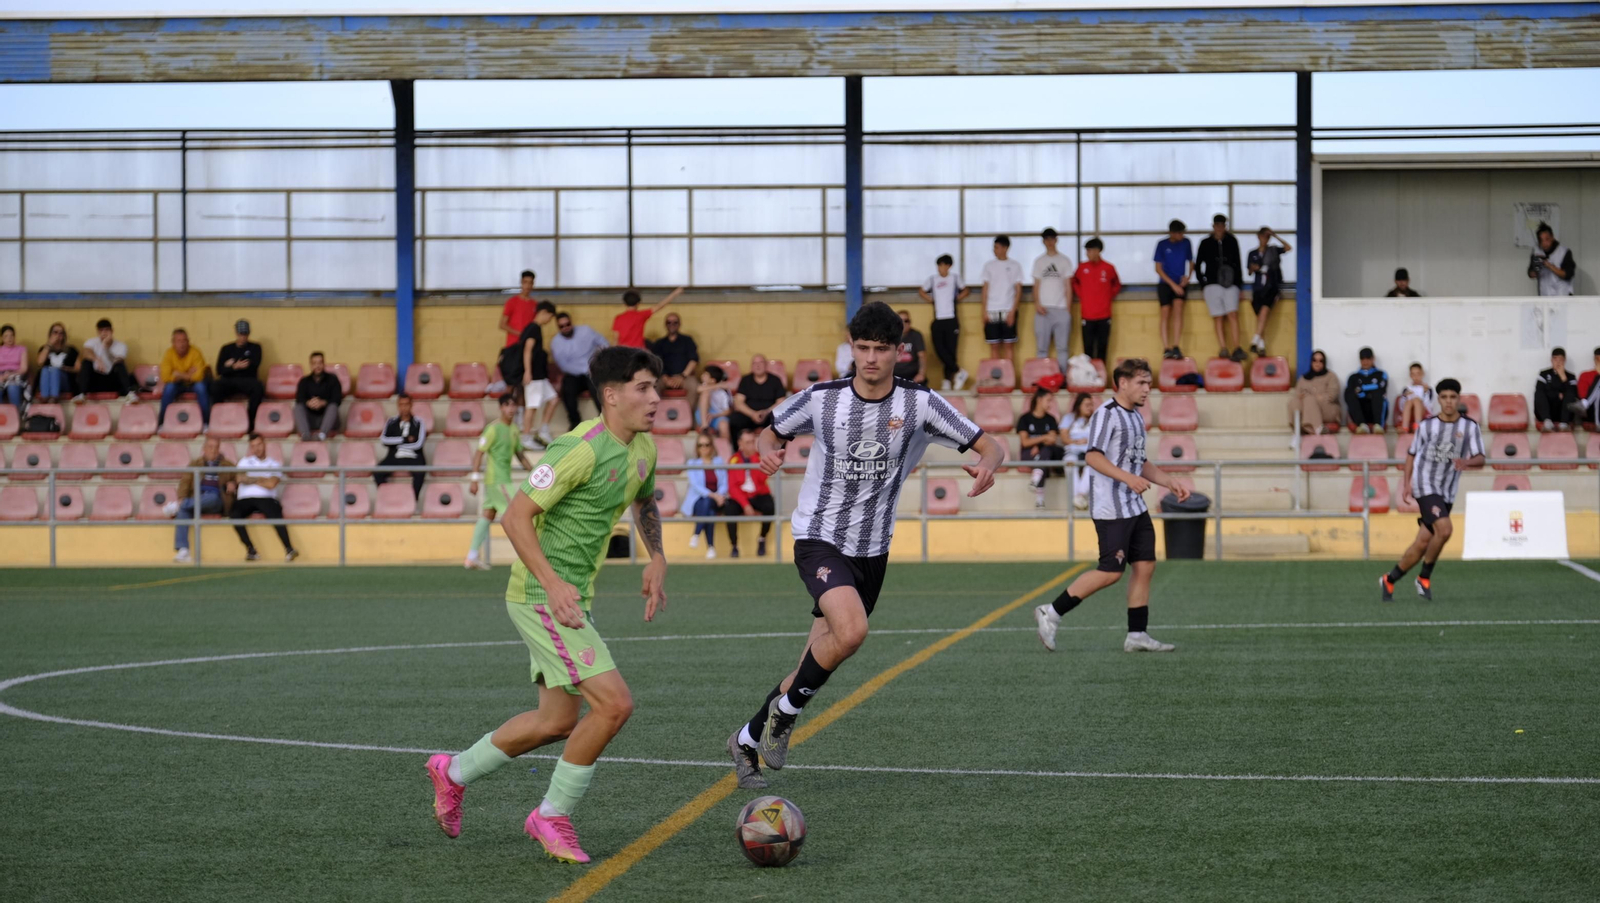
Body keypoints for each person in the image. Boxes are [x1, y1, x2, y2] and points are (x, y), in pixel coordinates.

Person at [725, 301, 1003, 790]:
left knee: (815, 661)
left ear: (900, 350)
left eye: (881, 349)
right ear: (851, 347)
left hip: (873, 549)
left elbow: (990, 444)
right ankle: (785, 716)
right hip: (819, 536)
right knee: (852, 632)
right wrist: (768, 452)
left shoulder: (920, 404)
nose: (871, 358)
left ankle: (747, 739)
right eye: (863, 347)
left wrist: (988, 466)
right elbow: (768, 433)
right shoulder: (822, 398)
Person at [424, 346, 667, 865]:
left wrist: (658, 558)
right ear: (611, 395)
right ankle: (551, 815)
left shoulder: (644, 447)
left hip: (571, 597)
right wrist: (554, 586)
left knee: (556, 721)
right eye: (643, 388)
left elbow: (644, 499)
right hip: (542, 597)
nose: (655, 398)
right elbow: (514, 517)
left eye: (656, 388)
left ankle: (452, 771)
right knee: (614, 704)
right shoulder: (578, 448)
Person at [1035, 358, 1187, 656]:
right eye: (1141, 382)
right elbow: (1093, 457)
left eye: (1149, 383)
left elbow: (1138, 461)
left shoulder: (1136, 416)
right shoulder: (1106, 414)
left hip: (1134, 506)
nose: (1147, 388)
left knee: (1145, 565)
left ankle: (1137, 634)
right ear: (1123, 383)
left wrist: (1168, 481)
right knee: (1110, 572)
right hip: (1111, 508)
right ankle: (1050, 612)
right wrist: (1128, 478)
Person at [1381, 379, 1485, 602]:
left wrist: (1467, 462)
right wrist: (1407, 483)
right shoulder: (1427, 426)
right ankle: (1424, 578)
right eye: (1444, 397)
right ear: (1439, 400)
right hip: (1425, 484)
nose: (1448, 402)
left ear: (1458, 399)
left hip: (1448, 490)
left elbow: (1481, 458)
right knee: (1445, 530)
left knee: (1422, 543)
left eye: (1453, 397)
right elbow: (1411, 454)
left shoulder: (1469, 427)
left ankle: (1389, 579)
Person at [465, 394, 534, 570]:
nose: (511, 409)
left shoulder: (514, 429)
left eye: (513, 405)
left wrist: (535, 473)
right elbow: (479, 453)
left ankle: (471, 557)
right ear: (501, 408)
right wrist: (474, 479)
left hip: (501, 480)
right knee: (517, 514)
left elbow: (520, 454)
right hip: (498, 480)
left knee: (488, 515)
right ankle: (529, 557)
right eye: (507, 405)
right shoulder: (493, 429)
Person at [231, 433, 298, 563]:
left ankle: (289, 548)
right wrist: (262, 479)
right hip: (245, 499)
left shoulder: (274, 464)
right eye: (253, 446)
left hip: (266, 498)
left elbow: (271, 484)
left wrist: (250, 478)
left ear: (264, 444)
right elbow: (239, 478)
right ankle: (251, 550)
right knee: (234, 514)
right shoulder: (244, 461)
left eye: (259, 444)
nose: (257, 448)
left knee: (275, 513)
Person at [167, 435, 235, 563]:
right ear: (204, 448)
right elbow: (185, 482)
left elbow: (238, 479)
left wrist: (234, 484)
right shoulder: (194, 464)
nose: (213, 450)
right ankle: (183, 550)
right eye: (210, 447)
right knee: (183, 511)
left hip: (216, 501)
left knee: (212, 497)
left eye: (216, 447)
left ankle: (179, 505)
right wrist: (181, 497)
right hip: (197, 499)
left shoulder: (228, 465)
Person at [1196, 214, 1245, 363]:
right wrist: (1203, 283)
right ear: (1213, 226)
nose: (1219, 228)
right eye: (1217, 225)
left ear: (1225, 226)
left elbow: (1238, 263)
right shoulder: (1205, 242)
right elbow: (1198, 264)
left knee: (1232, 314)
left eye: (1222, 225)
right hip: (1212, 283)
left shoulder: (1232, 241)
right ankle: (1223, 347)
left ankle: (1237, 347)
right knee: (1218, 316)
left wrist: (1239, 285)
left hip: (1230, 284)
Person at [549, 312, 609, 431]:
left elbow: (604, 343)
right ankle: (575, 422)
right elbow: (563, 366)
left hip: (592, 370)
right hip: (574, 374)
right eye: (562, 326)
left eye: (567, 324)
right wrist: (583, 370)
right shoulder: (556, 343)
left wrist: (599, 360)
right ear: (558, 327)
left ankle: (605, 420)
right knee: (567, 389)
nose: (565, 327)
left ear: (571, 322)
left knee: (597, 387)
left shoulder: (585, 331)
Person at [918, 253, 968, 390]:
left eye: (943, 265)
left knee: (951, 351)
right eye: (939, 266)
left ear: (949, 266)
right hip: (938, 319)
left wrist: (957, 299)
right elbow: (921, 291)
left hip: (951, 319)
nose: (941, 268)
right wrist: (930, 299)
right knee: (939, 349)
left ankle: (947, 380)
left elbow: (965, 290)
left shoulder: (955, 278)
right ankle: (959, 371)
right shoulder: (933, 279)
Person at [514, 300, 559, 449]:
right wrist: (528, 372)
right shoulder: (533, 328)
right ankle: (526, 437)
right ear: (544, 313)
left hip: (540, 375)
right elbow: (527, 350)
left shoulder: (535, 328)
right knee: (531, 407)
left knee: (553, 399)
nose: (549, 320)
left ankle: (543, 430)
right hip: (534, 376)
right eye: (550, 317)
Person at [725, 428, 776, 558]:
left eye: (753, 442)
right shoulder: (733, 460)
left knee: (770, 505)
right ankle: (734, 545)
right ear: (740, 444)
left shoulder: (759, 458)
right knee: (729, 508)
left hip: (758, 494)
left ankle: (762, 538)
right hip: (741, 496)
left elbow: (762, 479)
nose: (751, 445)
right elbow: (732, 487)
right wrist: (745, 504)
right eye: (748, 442)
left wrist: (754, 459)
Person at [1071, 237, 1121, 363]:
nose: (1088, 254)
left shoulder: (1108, 268)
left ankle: (1101, 374)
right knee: (1087, 349)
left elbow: (1116, 284)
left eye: (1090, 250)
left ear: (1098, 251)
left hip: (1104, 315)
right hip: (1087, 315)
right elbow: (1074, 282)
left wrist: (1108, 295)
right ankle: (1088, 374)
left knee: (1102, 348)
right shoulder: (1082, 267)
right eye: (1087, 251)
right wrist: (1081, 294)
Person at [1031, 228, 1074, 373]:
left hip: (1061, 309)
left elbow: (1068, 286)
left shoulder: (1064, 261)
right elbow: (1036, 285)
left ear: (1056, 240)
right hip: (1043, 311)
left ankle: (1062, 378)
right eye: (1046, 239)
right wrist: (1037, 304)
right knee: (1041, 349)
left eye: (1052, 239)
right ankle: (1043, 377)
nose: (1049, 242)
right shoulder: (1039, 261)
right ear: (1043, 242)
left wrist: (1068, 309)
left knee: (1062, 348)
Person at [211, 319, 265, 428]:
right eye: (241, 334)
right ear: (236, 333)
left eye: (245, 334)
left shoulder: (255, 348)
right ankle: (219, 418)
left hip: (247, 380)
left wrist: (230, 366)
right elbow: (219, 370)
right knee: (215, 386)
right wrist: (235, 367)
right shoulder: (226, 349)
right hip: (229, 381)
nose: (243, 337)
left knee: (258, 387)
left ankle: (250, 420)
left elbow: (254, 365)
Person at [684, 432, 730, 559]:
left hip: (718, 499)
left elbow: (724, 482)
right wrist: (713, 496)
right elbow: (695, 486)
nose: (704, 448)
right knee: (708, 508)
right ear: (697, 448)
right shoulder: (692, 463)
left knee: (708, 504)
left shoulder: (718, 461)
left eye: (707, 444)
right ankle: (710, 547)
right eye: (700, 445)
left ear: (712, 446)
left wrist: (718, 495)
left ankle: (696, 534)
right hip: (698, 500)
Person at [981, 235, 1024, 371]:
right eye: (994, 247)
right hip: (991, 310)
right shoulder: (989, 266)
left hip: (1008, 310)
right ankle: (996, 378)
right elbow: (985, 289)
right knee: (994, 345)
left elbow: (1018, 290)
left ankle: (1009, 376)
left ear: (1005, 248)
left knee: (1008, 345)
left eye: (997, 247)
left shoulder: (1015, 265)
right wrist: (984, 311)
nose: (994, 250)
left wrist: (1013, 311)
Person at [1153, 220, 1194, 361]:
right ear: (1172, 233)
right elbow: (1158, 269)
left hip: (1180, 283)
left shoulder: (1186, 243)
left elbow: (1191, 262)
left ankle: (1176, 345)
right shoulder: (1162, 244)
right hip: (1166, 283)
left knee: (1178, 310)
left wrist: (1188, 277)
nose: (1182, 235)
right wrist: (1172, 285)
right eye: (1179, 233)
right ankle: (1166, 348)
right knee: (1165, 313)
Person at [1246, 227, 1291, 356]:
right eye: (1263, 236)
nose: (1264, 239)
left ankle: (1255, 340)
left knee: (1265, 310)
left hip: (1271, 286)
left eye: (1267, 237)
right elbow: (1249, 271)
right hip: (1258, 288)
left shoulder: (1273, 250)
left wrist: (1276, 236)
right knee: (1260, 317)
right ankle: (1261, 346)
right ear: (1258, 237)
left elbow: (1288, 248)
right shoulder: (1252, 253)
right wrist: (1254, 268)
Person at [1017, 387, 1063, 509]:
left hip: (1045, 453)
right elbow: (1025, 442)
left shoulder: (1051, 419)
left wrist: (1037, 444)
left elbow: (1052, 439)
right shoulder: (1025, 419)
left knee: (1046, 453)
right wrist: (1044, 438)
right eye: (1048, 400)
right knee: (1043, 460)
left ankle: (1036, 482)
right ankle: (1040, 500)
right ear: (1039, 399)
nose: (1050, 404)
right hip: (1029, 453)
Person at [375, 394, 427, 499]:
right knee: (378, 472)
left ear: (411, 405)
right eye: (401, 405)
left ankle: (413, 501)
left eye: (406, 404)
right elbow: (384, 440)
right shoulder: (391, 421)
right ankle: (387, 498)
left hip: (414, 457)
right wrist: (404, 439)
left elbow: (418, 444)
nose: (404, 407)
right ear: (398, 406)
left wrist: (396, 444)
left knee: (420, 473)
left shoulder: (419, 422)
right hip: (395, 457)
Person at [158, 328, 210, 428]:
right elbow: (165, 377)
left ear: (188, 341)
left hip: (193, 384)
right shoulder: (169, 353)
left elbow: (199, 376)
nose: (182, 344)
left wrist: (179, 374)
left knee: (201, 387)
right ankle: (162, 423)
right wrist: (189, 374)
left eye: (184, 340)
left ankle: (205, 423)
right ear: (173, 343)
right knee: (169, 388)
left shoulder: (195, 352)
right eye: (179, 341)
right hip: (177, 384)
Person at [79, 317, 139, 402]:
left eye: (107, 330)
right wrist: (97, 360)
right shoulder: (91, 342)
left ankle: (129, 394)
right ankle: (81, 394)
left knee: (120, 365)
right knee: (86, 362)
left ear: (112, 331)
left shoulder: (121, 346)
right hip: (96, 380)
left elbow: (119, 360)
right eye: (101, 330)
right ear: (98, 332)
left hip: (112, 380)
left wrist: (106, 347)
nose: (104, 333)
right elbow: (86, 353)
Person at [651, 311, 700, 412]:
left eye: (675, 322)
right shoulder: (659, 343)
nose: (672, 325)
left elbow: (693, 361)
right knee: (652, 386)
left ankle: (687, 415)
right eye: (669, 322)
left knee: (694, 386)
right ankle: (656, 416)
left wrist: (682, 377)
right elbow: (656, 363)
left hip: (685, 377)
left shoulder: (687, 340)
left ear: (679, 324)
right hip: (664, 377)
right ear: (665, 325)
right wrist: (665, 378)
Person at [727, 354, 785, 440]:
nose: (758, 365)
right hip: (749, 415)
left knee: (784, 421)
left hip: (769, 415)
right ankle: (738, 447)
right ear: (751, 366)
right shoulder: (745, 380)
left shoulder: (775, 380)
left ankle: (778, 448)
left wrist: (766, 412)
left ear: (766, 365)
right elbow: (738, 402)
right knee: (734, 420)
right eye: (755, 363)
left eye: (761, 362)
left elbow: (781, 401)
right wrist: (752, 414)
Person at [612, 286, 684, 349]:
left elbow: (616, 339)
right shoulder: (641, 316)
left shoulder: (618, 318)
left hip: (624, 352)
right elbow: (659, 306)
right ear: (638, 303)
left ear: (624, 303)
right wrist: (675, 293)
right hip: (638, 351)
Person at [293, 351, 342, 440]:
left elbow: (337, 399)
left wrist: (323, 403)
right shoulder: (304, 381)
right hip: (310, 420)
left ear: (324, 364)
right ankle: (305, 436)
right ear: (311, 365)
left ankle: (322, 435)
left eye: (320, 363)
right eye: (314, 363)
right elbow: (299, 398)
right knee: (298, 407)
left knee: (333, 406)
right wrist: (308, 403)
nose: (317, 366)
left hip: (328, 420)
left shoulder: (333, 380)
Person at [1292, 350, 1341, 435]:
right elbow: (1297, 394)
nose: (1317, 363)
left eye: (1320, 361)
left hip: (1326, 409)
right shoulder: (1303, 378)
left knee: (1309, 399)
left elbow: (1332, 395)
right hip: (1307, 411)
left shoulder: (1331, 376)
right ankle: (1300, 429)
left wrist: (1314, 399)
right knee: (1294, 402)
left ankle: (1316, 427)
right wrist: (1309, 398)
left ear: (1324, 363)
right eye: (1314, 360)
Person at [1344, 347, 1388, 433]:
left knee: (1377, 393)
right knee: (1348, 393)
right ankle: (1362, 425)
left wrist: (1361, 389)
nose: (1365, 362)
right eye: (1362, 359)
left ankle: (1378, 425)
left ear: (1373, 359)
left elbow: (1381, 388)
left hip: (1376, 411)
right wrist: (1368, 392)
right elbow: (1350, 393)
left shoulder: (1381, 374)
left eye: (1368, 358)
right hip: (1360, 412)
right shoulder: (1353, 377)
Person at [1535, 347, 1578, 431]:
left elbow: (1574, 394)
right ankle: (1547, 423)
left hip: (1564, 412)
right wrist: (1558, 395)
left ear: (1564, 361)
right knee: (1539, 393)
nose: (1558, 362)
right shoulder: (1543, 374)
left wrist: (1563, 377)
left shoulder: (1571, 376)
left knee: (1570, 393)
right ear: (1551, 360)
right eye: (1555, 359)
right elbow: (1540, 390)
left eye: (1560, 360)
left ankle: (1564, 425)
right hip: (1547, 411)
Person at [35, 322, 81, 402]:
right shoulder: (44, 349)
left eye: (61, 333)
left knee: (55, 370)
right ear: (50, 334)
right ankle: (45, 397)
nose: (58, 335)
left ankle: (54, 398)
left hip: (65, 382)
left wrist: (66, 369)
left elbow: (78, 368)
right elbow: (40, 362)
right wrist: (49, 345)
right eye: (55, 332)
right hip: (47, 382)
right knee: (45, 369)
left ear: (64, 336)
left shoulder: (71, 350)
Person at [1528, 222, 1576, 296]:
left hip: (1563, 296)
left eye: (1547, 239)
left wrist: (1550, 266)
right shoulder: (1537, 252)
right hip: (1544, 296)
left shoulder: (1564, 252)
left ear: (1552, 237)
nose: (1544, 243)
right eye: (1541, 240)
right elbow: (1531, 274)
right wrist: (1536, 268)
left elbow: (1567, 274)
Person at [499, 269, 540, 349]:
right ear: (521, 282)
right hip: (513, 345)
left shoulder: (535, 304)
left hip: (528, 345)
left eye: (530, 283)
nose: (527, 286)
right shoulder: (512, 302)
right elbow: (502, 325)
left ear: (533, 284)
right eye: (525, 282)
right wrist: (520, 334)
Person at [1395, 362, 1439, 433]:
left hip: (1423, 412)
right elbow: (1401, 407)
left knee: (1416, 400)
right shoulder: (1407, 389)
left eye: (1418, 374)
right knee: (1409, 402)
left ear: (1422, 374)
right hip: (1409, 413)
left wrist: (1425, 393)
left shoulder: (1427, 389)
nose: (1416, 377)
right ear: (1410, 375)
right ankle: (1405, 427)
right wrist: (1404, 396)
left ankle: (1417, 425)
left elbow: (1429, 406)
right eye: (1413, 374)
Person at [696, 364, 733, 440]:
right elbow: (698, 389)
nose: (702, 376)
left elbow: (728, 411)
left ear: (712, 380)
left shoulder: (723, 392)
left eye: (705, 375)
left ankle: (725, 446)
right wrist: (717, 385)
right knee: (705, 394)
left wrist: (714, 415)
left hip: (717, 415)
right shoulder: (705, 385)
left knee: (724, 425)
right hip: (703, 415)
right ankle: (705, 427)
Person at [894, 309, 927, 385]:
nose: (903, 323)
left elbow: (922, 355)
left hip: (912, 375)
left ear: (910, 322)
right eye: (900, 321)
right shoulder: (890, 336)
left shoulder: (916, 335)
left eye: (906, 321)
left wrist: (921, 374)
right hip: (894, 375)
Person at [0, 324, 28, 409]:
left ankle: (16, 413)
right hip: (1, 375)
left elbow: (24, 368)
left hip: (17, 374)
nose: (9, 338)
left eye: (11, 335)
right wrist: (2, 377)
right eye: (6, 336)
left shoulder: (21, 349)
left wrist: (10, 375)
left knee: (12, 387)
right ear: (2, 338)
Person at [1578, 347, 1600, 430]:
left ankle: (1585, 404)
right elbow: (1582, 395)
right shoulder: (1585, 375)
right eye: (1598, 359)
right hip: (1590, 410)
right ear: (1595, 360)